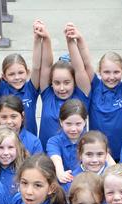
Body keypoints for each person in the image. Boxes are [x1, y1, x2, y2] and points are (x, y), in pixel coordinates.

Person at [65, 23, 122, 161]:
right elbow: (84, 65)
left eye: (116, 72)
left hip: (121, 154)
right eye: (106, 72)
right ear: (99, 72)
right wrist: (77, 39)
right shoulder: (94, 87)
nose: (111, 77)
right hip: (96, 155)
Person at [34, 20, 90, 149]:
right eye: (57, 83)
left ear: (75, 82)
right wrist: (46, 38)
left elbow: (80, 69)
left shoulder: (81, 96)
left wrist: (70, 40)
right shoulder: (48, 95)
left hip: (78, 158)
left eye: (67, 82)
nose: (62, 88)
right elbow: (46, 65)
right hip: (48, 158)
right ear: (51, 83)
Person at [0, 35, 40, 136]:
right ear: (4, 77)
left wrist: (37, 39)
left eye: (21, 72)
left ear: (27, 73)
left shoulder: (31, 89)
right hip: (5, 140)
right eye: (11, 74)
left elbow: (36, 67)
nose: (17, 77)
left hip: (28, 141)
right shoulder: (1, 88)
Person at [47, 99, 88, 183]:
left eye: (78, 124)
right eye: (68, 124)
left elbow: (107, 158)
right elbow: (56, 159)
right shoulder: (54, 141)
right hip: (62, 185)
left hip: (85, 184)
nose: (73, 129)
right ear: (61, 122)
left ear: (85, 122)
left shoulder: (91, 140)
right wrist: (60, 172)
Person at [0, 125, 28, 196]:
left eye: (10, 147)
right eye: (0, 148)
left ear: (18, 148)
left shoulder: (26, 170)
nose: (6, 153)